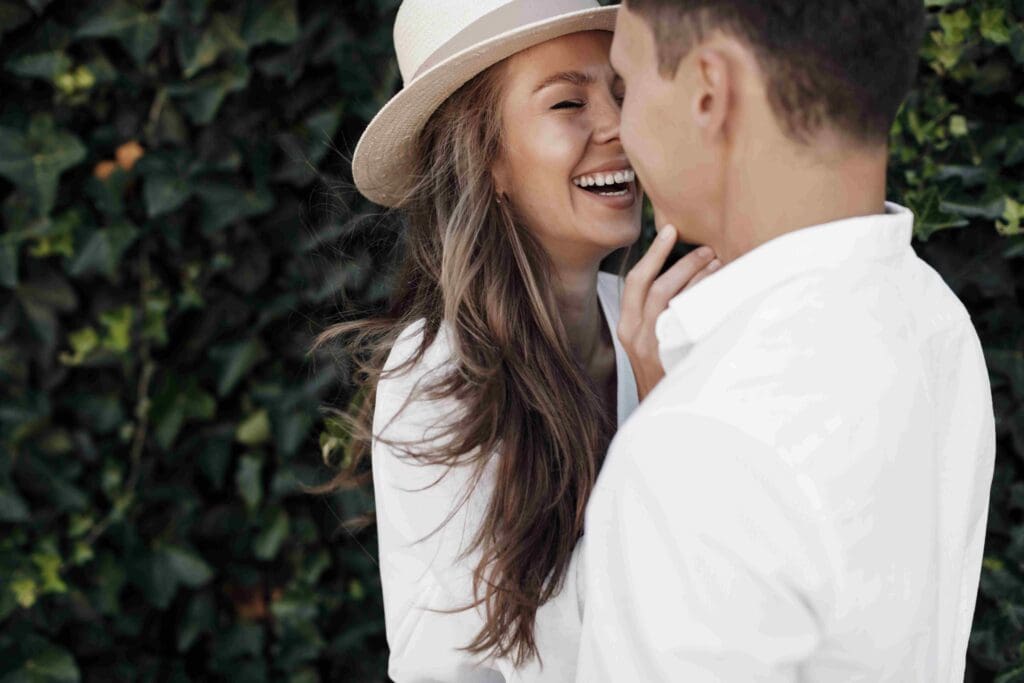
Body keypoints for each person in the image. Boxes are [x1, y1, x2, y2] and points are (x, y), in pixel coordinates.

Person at [576, 1, 997, 681]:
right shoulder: (937, 321)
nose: (619, 130)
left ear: (710, 90)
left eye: (625, 87)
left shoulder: (698, 448)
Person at [306, 1, 717, 681]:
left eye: (620, 91)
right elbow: (503, 659)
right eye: (567, 104)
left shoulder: (663, 326)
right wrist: (655, 412)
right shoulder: (437, 377)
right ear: (486, 156)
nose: (618, 126)